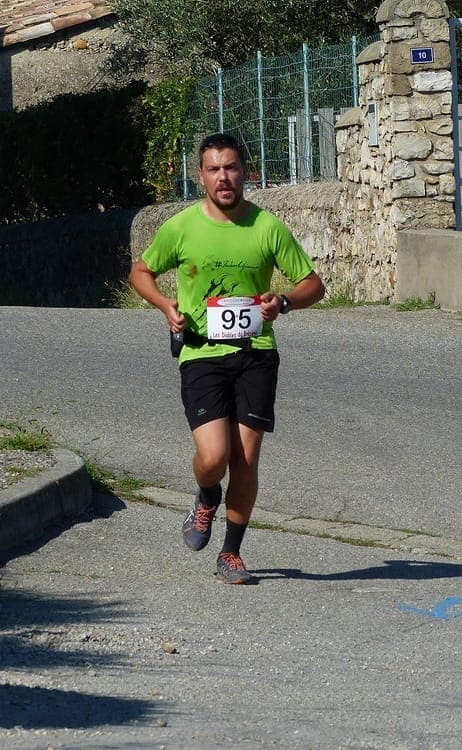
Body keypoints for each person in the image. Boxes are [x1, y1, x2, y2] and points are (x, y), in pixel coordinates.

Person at [129, 132, 325, 584]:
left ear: (244, 173)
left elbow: (313, 284)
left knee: (246, 459)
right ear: (200, 176)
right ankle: (205, 495)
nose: (223, 177)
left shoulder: (267, 227)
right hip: (201, 353)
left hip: (256, 354)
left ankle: (231, 552)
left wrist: (284, 303)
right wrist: (165, 305)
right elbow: (140, 271)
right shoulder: (182, 227)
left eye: (231, 168)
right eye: (214, 169)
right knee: (214, 457)